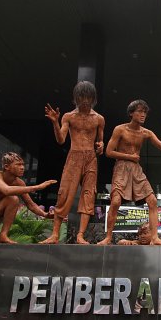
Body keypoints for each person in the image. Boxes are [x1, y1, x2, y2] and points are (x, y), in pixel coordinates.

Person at [98, 99, 161, 246]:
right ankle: (108, 237)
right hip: (121, 168)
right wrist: (130, 157)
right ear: (131, 113)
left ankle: (155, 238)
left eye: (145, 112)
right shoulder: (120, 129)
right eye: (139, 111)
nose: (143, 115)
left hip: (136, 170)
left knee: (152, 201)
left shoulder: (146, 133)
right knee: (115, 202)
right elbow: (108, 152)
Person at [40, 80, 105, 245]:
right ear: (76, 98)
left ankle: (80, 235)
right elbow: (61, 140)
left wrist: (100, 146)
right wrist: (55, 122)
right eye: (81, 97)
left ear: (93, 98)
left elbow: (100, 141)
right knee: (64, 193)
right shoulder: (69, 116)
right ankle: (55, 234)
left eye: (88, 97)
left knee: (88, 195)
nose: (85, 100)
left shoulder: (99, 119)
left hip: (90, 158)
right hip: (74, 157)